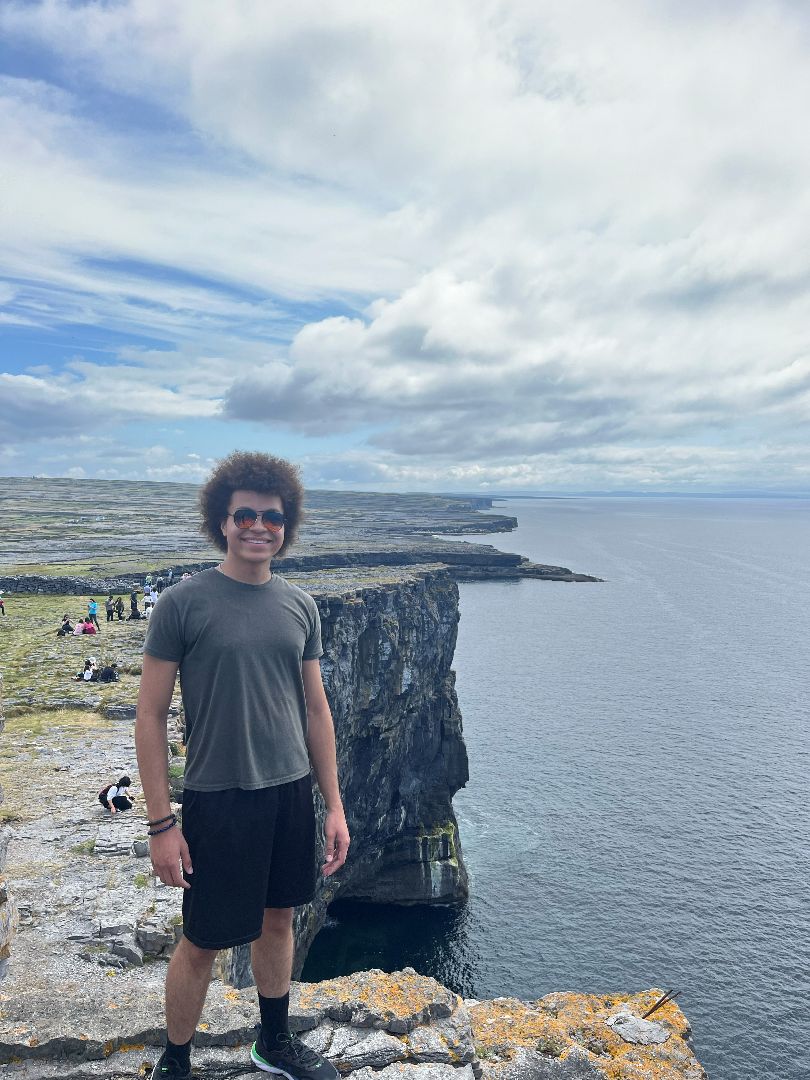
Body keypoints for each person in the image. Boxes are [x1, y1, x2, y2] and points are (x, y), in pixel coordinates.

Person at [135, 451, 349, 1080]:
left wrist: (333, 806)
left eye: (273, 517)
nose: (260, 526)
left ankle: (273, 1043)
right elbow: (149, 715)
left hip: (289, 792)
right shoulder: (183, 603)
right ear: (222, 522)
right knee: (202, 940)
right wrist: (160, 823)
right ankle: (175, 1062)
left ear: (288, 524)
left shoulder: (300, 605)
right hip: (218, 796)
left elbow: (317, 710)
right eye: (246, 515)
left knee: (279, 918)